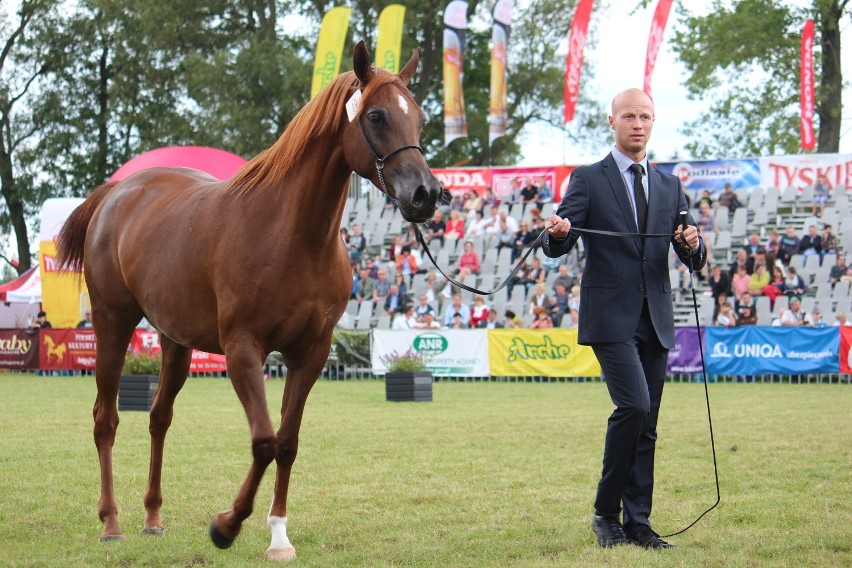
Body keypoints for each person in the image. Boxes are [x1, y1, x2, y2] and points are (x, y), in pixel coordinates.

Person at [542, 88, 704, 550]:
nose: (638, 123)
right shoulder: (589, 178)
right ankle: (604, 513)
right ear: (611, 122)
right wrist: (556, 233)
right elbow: (559, 242)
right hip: (610, 317)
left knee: (647, 422)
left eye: (645, 116)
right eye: (629, 116)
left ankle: (638, 523)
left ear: (654, 122)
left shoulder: (670, 185)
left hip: (655, 317)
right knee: (633, 406)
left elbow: (693, 257)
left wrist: (693, 245)